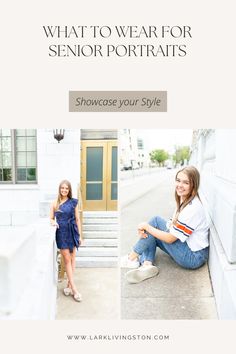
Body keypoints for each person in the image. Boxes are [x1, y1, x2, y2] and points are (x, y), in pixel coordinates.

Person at [121, 166, 210, 284]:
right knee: (154, 229)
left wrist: (146, 227)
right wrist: (150, 228)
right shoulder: (185, 200)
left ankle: (131, 258)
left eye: (186, 182)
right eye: (178, 180)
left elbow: (170, 239)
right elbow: (172, 225)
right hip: (190, 249)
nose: (180, 185)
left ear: (194, 185)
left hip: (194, 257)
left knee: (155, 223)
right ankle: (147, 264)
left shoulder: (192, 208)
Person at [50, 180, 83, 301]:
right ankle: (74, 289)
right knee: (67, 260)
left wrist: (79, 236)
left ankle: (69, 285)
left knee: (73, 259)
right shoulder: (54, 204)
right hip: (62, 234)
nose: (64, 190)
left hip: (72, 231)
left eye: (66, 188)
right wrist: (53, 222)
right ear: (59, 189)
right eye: (62, 188)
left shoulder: (73, 202)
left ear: (69, 190)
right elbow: (51, 218)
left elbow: (78, 219)